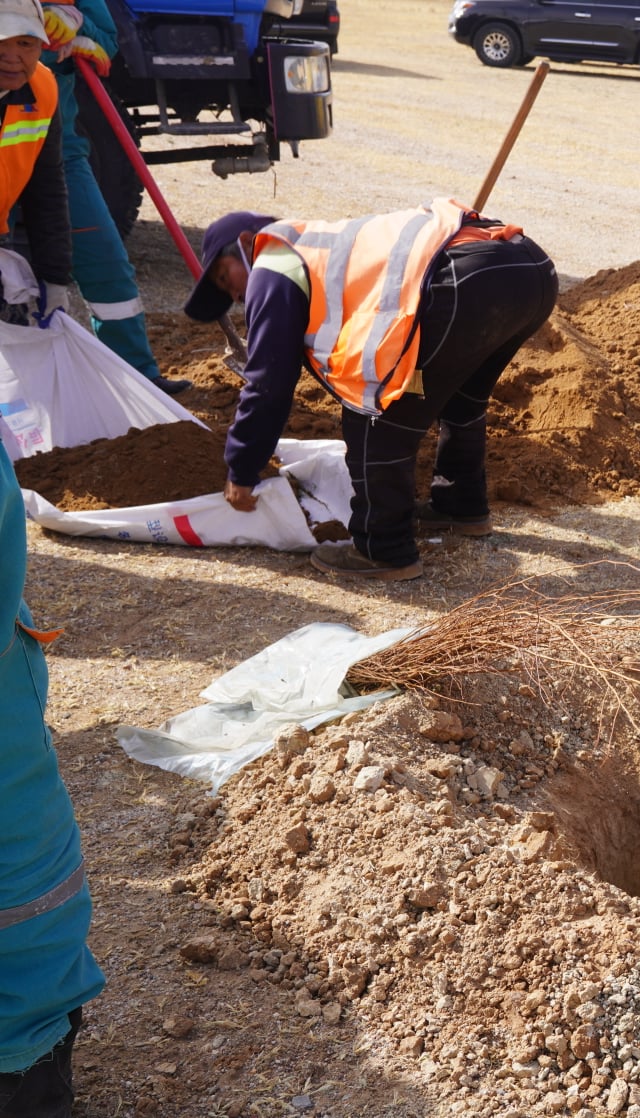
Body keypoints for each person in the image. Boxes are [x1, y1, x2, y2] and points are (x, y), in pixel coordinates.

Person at [183, 201, 557, 581]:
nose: (233, 294)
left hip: (467, 279)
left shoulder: (271, 265)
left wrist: (242, 466)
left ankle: (384, 548)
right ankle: (460, 506)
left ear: (247, 243)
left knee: (374, 408)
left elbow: (268, 383)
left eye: (224, 276)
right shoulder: (313, 243)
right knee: (460, 398)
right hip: (529, 269)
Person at [0, 2, 103, 1073]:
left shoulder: (35, 92)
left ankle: (30, 1042)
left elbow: (46, 196)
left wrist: (46, 273)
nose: (19, 57)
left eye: (29, 35)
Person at [37, 0, 178, 394]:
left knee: (106, 261)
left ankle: (137, 380)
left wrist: (79, 36)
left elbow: (107, 43)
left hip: (60, 146)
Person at [0, 0, 68, 324]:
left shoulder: (43, 90)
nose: (12, 56)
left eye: (25, 43)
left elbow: (46, 190)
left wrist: (53, 276)